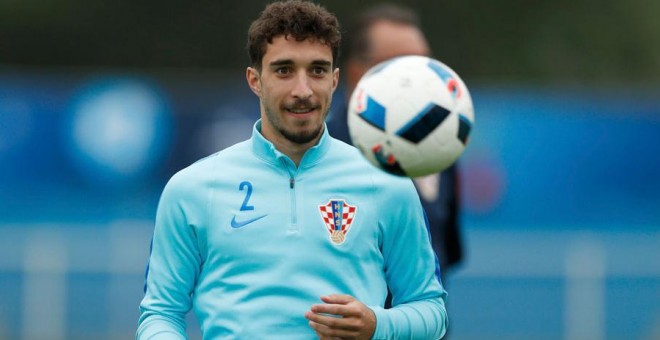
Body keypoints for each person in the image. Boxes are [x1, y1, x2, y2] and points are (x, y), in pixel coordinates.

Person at [136, 1, 448, 339]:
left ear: (334, 80)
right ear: (255, 80)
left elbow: (430, 309)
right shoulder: (193, 188)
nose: (303, 90)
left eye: (317, 70)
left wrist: (378, 325)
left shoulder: (386, 182)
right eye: (284, 70)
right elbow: (160, 313)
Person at [326, 3, 463, 290]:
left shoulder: (442, 147)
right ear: (356, 73)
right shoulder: (319, 154)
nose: (422, 78)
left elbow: (446, 253)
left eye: (426, 64)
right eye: (405, 67)